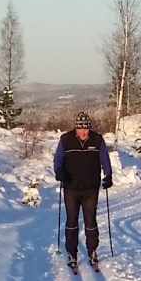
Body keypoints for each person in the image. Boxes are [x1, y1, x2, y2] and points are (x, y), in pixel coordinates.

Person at [53, 111, 113, 270]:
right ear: (76, 128)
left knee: (90, 221)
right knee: (72, 221)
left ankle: (92, 250)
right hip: (71, 188)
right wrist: (59, 171)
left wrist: (108, 175)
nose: (84, 132)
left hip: (91, 188)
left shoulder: (97, 140)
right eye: (81, 129)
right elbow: (58, 159)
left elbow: (104, 159)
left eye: (86, 128)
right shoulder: (66, 140)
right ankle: (72, 252)